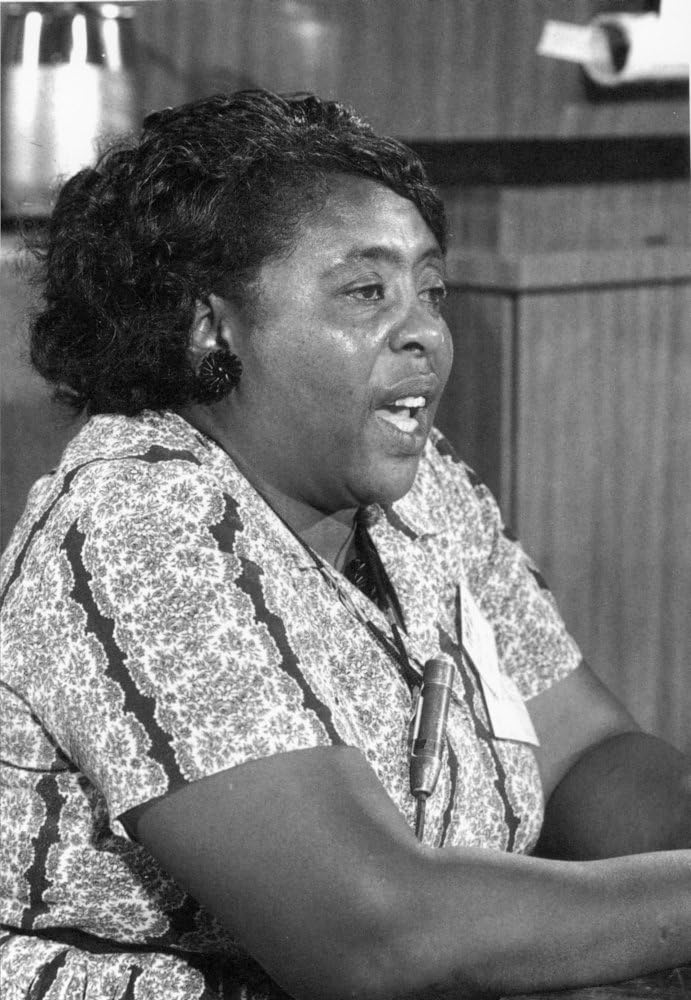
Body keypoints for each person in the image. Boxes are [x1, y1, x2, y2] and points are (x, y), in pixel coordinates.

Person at [0, 89, 689, 1000]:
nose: (425, 334)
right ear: (215, 324)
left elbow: (581, 754)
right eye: (367, 292)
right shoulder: (136, 526)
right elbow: (370, 937)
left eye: (430, 291)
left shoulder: (418, 486)